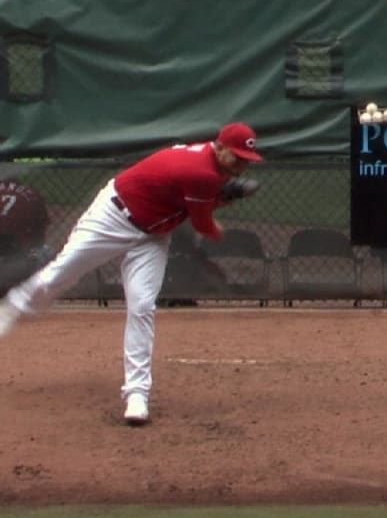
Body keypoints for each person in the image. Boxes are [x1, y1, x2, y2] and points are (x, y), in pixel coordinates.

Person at [0, 123, 263, 424]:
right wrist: (224, 202)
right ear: (217, 147)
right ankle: (13, 306)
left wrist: (220, 194)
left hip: (152, 236)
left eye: (247, 160)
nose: (242, 166)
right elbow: (206, 227)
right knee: (63, 273)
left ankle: (137, 394)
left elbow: (186, 194)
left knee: (141, 306)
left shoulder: (206, 164)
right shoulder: (201, 172)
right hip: (113, 217)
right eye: (237, 157)